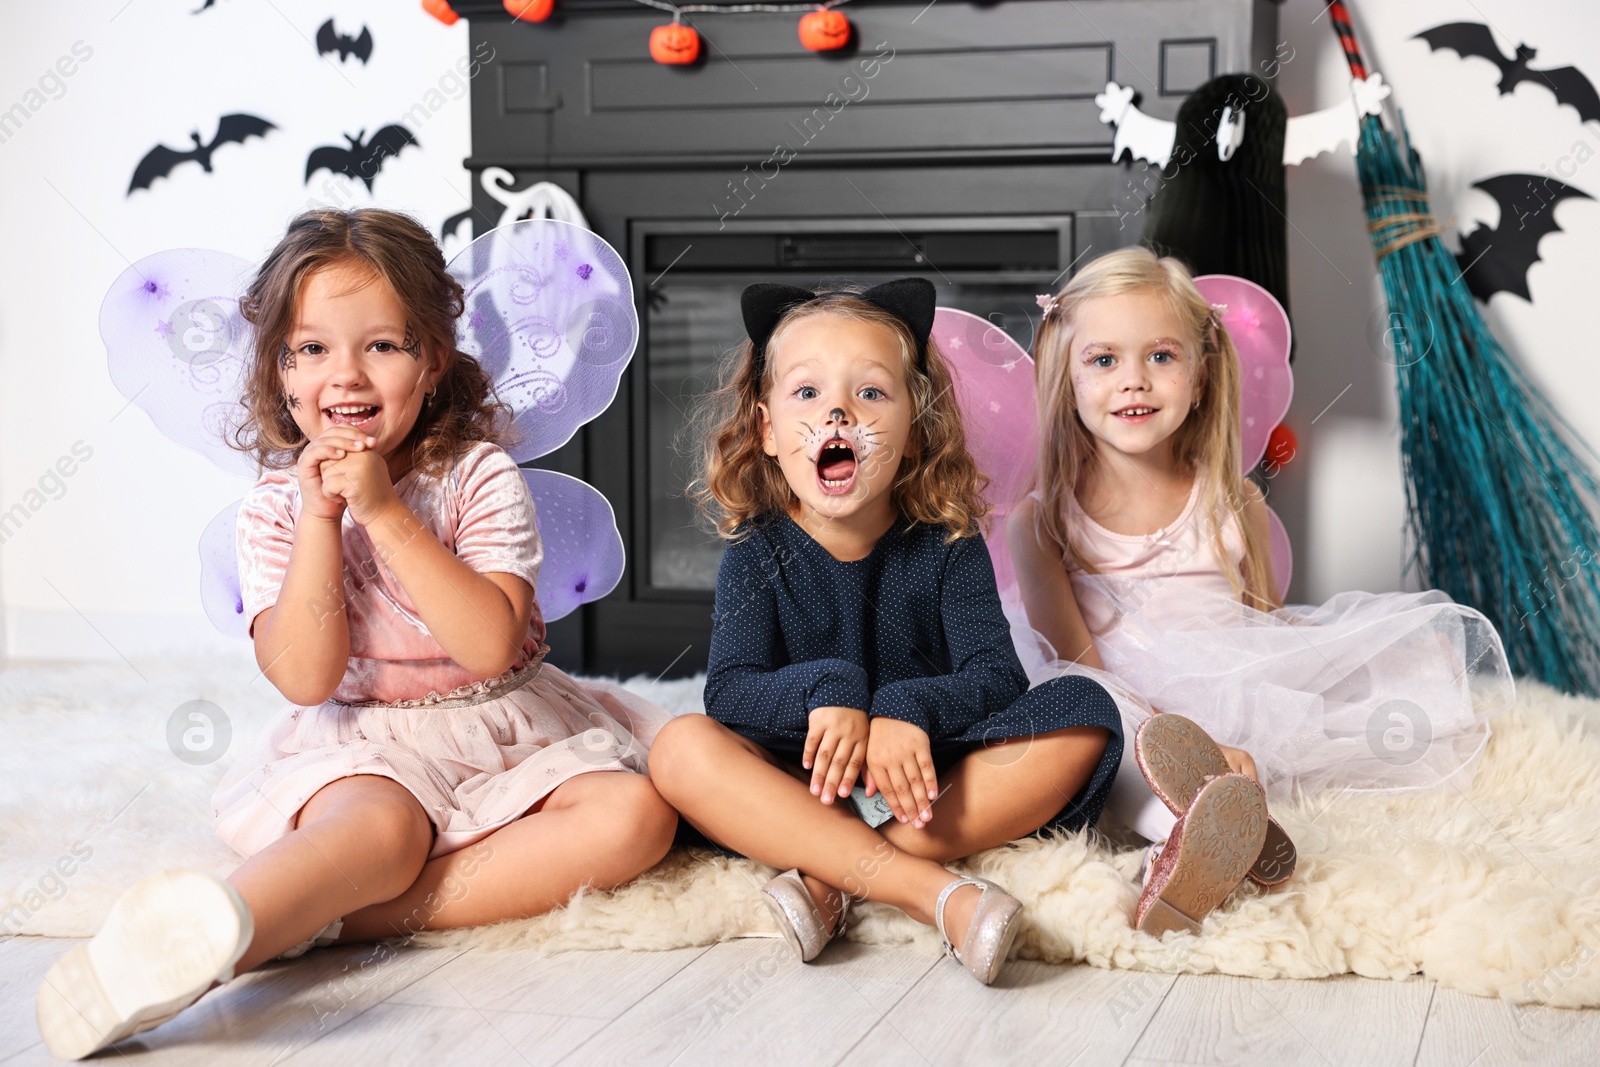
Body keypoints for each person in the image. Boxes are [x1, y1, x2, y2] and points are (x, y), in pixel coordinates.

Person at [36, 209, 677, 1060]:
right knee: (380, 832)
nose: (347, 374)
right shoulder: (275, 508)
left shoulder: (477, 477)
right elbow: (306, 676)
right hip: (365, 743)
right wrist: (321, 519)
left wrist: (380, 509)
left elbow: (488, 643)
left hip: (502, 723)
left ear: (433, 360)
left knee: (633, 814)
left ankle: (331, 920)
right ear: (278, 369)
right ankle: (219, 930)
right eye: (310, 349)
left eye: (383, 344)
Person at [649, 276, 1208, 987]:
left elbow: (996, 677)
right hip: (797, 782)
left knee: (1085, 712)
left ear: (914, 433)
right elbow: (730, 691)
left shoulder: (947, 543)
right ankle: (930, 891)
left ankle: (833, 875)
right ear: (765, 429)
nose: (838, 415)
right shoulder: (757, 554)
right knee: (678, 747)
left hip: (928, 782)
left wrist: (905, 709)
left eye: (872, 393)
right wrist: (830, 690)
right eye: (808, 394)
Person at [1006, 246, 1514, 916]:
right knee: (1091, 718)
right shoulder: (1043, 519)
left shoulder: (1232, 499)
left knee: (1393, 678)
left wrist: (1362, 655)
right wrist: (1175, 734)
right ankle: (1191, 836)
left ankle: (1220, 813)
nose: (1134, 380)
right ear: (1065, 377)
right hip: (1123, 697)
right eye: (1103, 360)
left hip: (1227, 690)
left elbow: (1263, 628)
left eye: (1161, 356)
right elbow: (1077, 664)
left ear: (1201, 376)